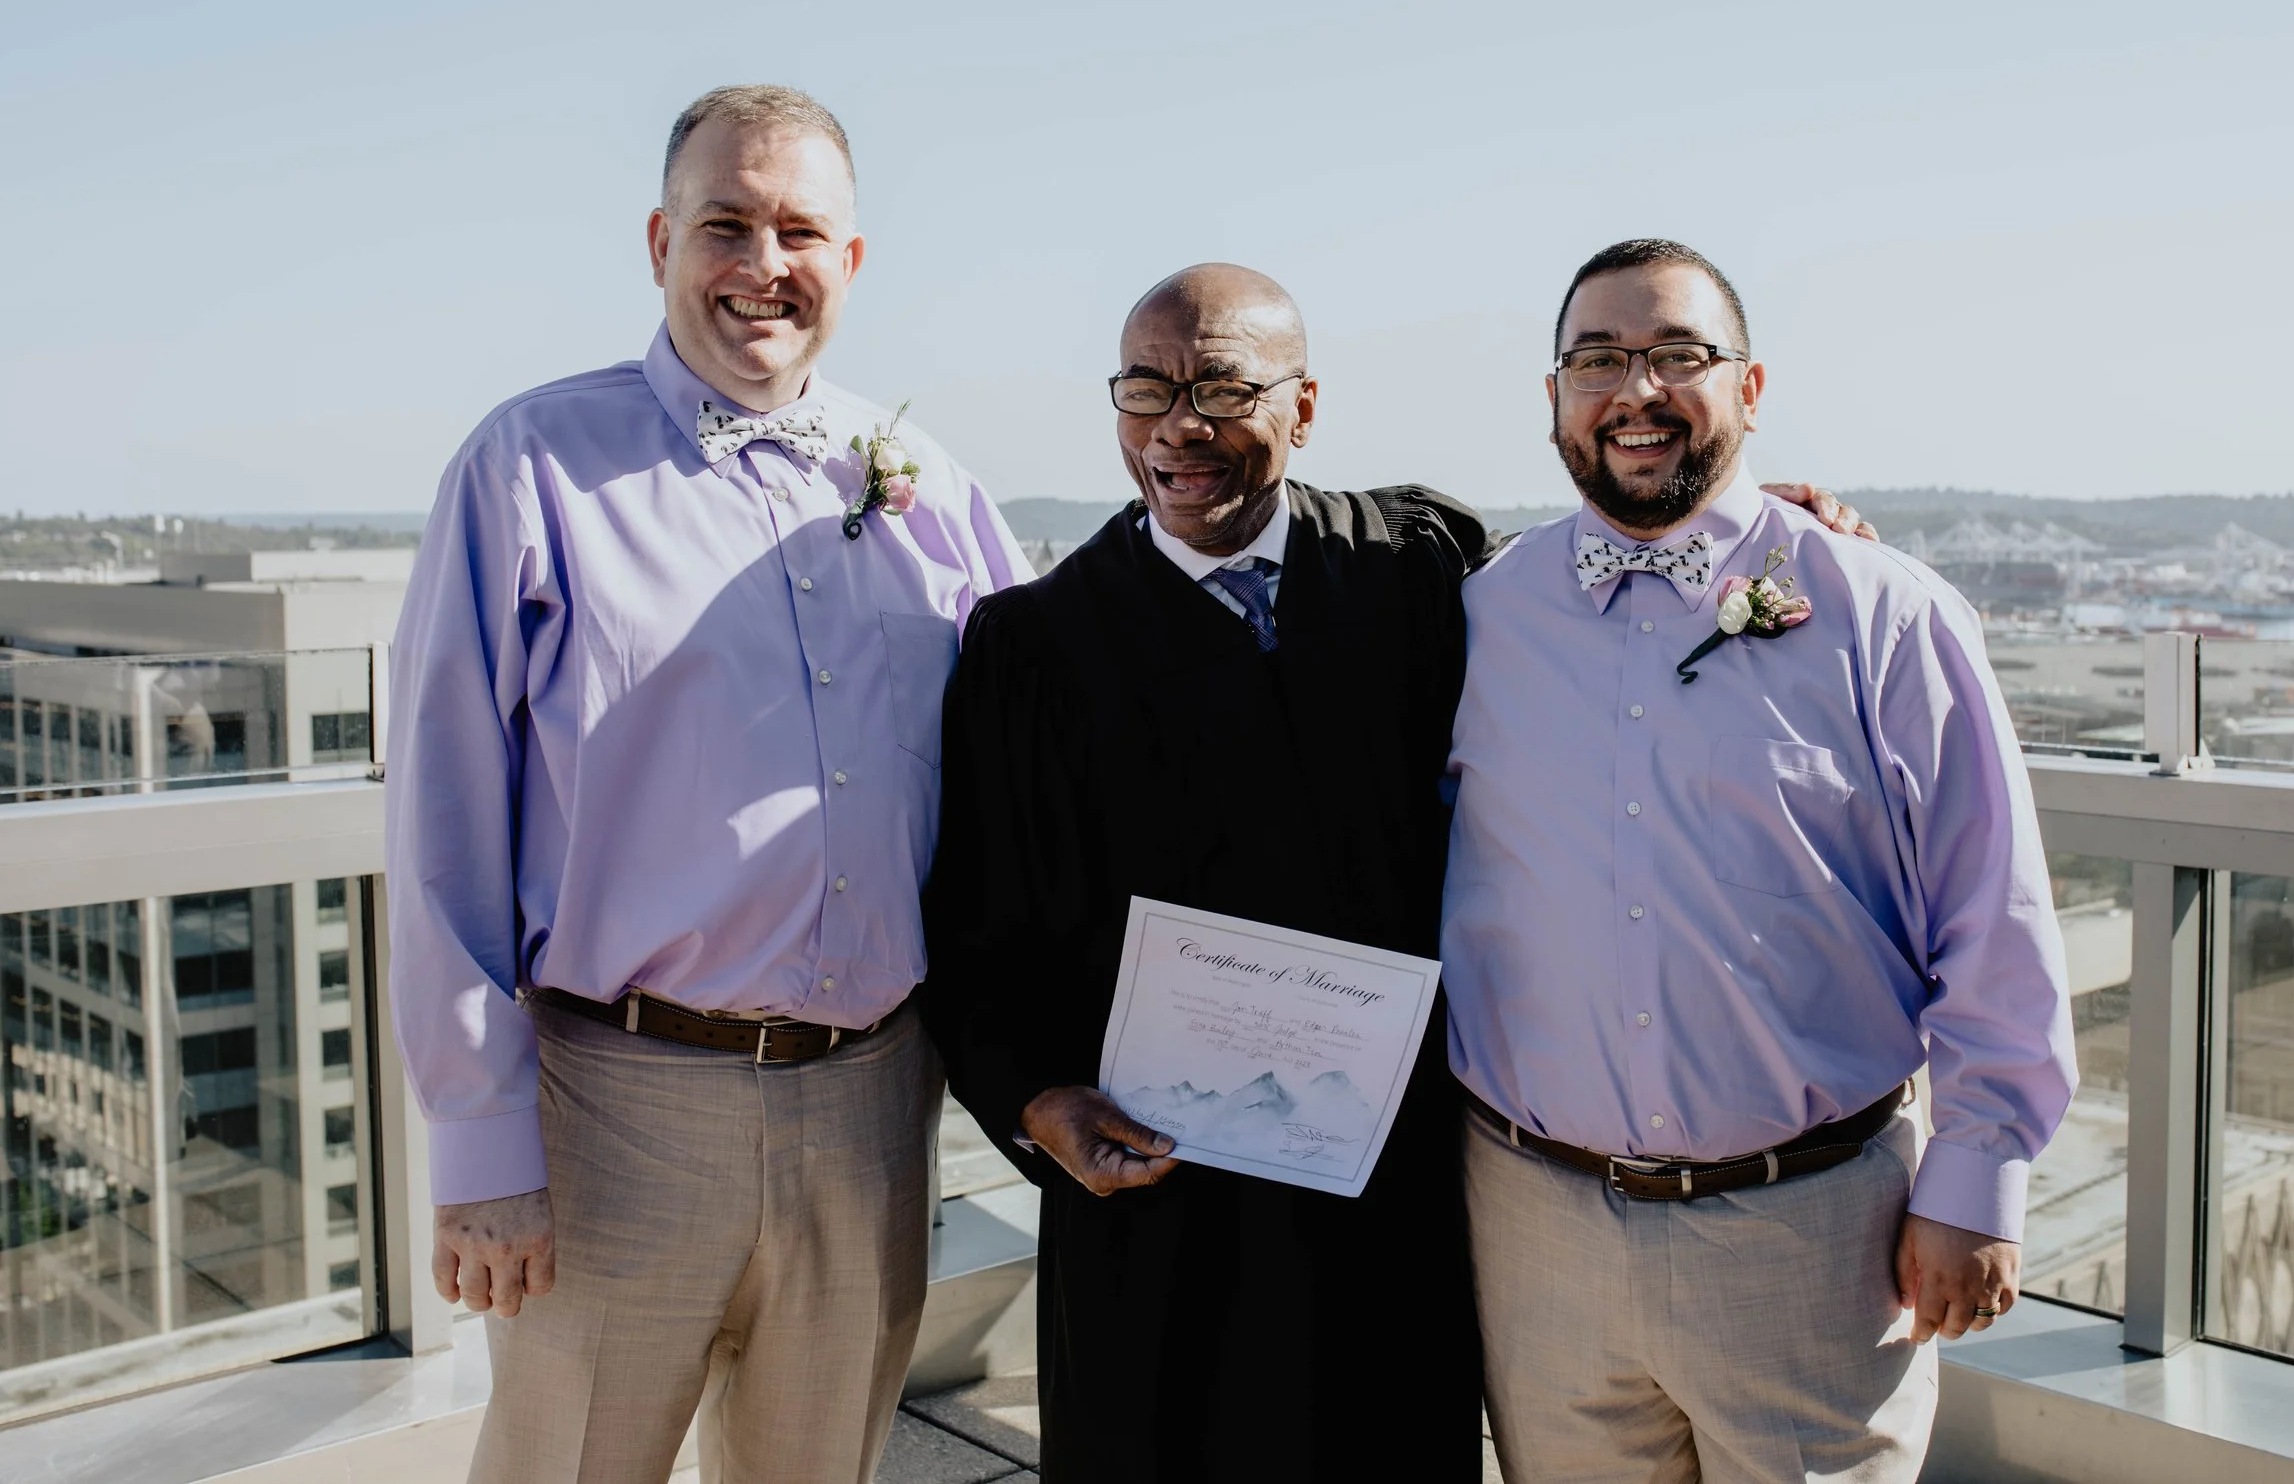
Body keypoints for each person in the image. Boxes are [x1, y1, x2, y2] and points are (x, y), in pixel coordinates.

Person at [922, 262, 1870, 1482]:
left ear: (1304, 407)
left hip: (1391, 1177)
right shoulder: (1037, 645)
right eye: (1145, 388)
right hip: (1164, 1194)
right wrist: (1041, 1099)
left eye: (1221, 384)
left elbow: (1601, 578)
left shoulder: (1416, 563)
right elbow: (980, 927)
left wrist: (1753, 524)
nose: (1180, 425)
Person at [385, 84, 1028, 1483]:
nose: (763, 263)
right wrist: (482, 1146)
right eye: (724, 224)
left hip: (873, 1109)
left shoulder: (936, 490)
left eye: (801, 229)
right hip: (616, 1104)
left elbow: (1042, 763)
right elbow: (441, 822)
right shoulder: (527, 466)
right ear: (661, 239)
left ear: (851, 262)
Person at [1440, 238, 2078, 1484]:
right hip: (1532, 1226)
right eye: (1597, 359)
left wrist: (1979, 1175)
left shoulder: (1883, 611)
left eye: (1679, 354)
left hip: (1816, 1236)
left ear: (1751, 384)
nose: (1636, 389)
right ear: (1554, 395)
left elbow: (1989, 913)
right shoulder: (1477, 615)